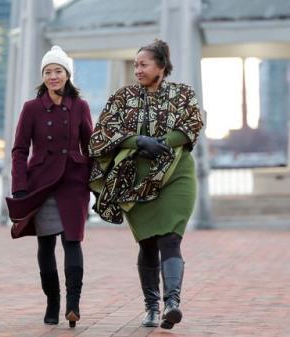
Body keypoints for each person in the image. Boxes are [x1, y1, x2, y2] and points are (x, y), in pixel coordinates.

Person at [88, 39, 203, 330]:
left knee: (171, 238)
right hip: (136, 181)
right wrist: (137, 141)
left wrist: (162, 143)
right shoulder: (122, 97)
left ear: (161, 67)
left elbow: (192, 124)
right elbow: (101, 134)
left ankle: (172, 303)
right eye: (136, 64)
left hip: (176, 174)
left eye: (144, 64)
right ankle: (152, 307)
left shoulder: (182, 94)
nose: (137, 69)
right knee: (148, 243)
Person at [5, 46, 93, 327]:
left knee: (72, 241)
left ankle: (73, 304)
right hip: (41, 183)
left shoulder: (80, 106)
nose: (53, 76)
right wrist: (20, 186)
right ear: (42, 77)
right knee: (45, 244)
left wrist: (94, 183)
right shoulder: (31, 108)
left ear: (67, 75)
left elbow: (90, 147)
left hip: (74, 182)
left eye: (57, 71)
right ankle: (53, 301)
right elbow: (19, 149)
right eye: (47, 72)